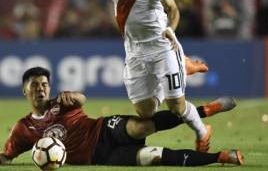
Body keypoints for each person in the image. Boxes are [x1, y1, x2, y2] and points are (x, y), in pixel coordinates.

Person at [48, 0, 212, 151]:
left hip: (162, 45)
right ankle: (182, 67)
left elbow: (172, 9)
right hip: (134, 51)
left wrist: (170, 29)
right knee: (146, 113)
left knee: (176, 106)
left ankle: (202, 132)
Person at [0, 67, 243, 167]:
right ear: (25, 91)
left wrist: (74, 96)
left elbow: (82, 99)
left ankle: (204, 111)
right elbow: (6, 157)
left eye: (44, 84)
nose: (40, 89)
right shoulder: (23, 128)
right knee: (154, 156)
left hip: (103, 129)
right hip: (101, 156)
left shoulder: (60, 102)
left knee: (141, 126)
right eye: (34, 86)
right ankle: (222, 156)